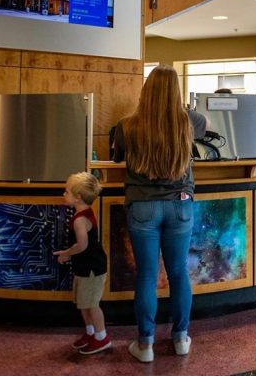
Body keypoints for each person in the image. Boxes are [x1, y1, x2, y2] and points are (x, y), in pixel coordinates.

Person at [113, 64, 207, 363]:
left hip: (142, 207)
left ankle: (146, 345)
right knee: (179, 273)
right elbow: (204, 128)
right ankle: (180, 339)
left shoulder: (127, 125)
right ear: (177, 91)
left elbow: (117, 157)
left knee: (147, 276)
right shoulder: (190, 121)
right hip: (180, 204)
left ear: (146, 89)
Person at [53, 172, 111, 355]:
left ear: (78, 197)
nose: (64, 194)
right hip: (85, 268)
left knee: (92, 304)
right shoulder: (82, 213)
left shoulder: (80, 220)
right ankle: (90, 333)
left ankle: (102, 338)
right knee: (83, 303)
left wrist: (66, 254)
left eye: (67, 192)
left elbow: (82, 245)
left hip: (92, 269)